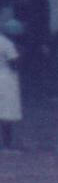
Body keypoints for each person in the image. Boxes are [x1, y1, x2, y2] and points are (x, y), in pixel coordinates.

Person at [0, 20, 21, 151]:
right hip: (5, 78)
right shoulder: (6, 43)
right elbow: (14, 63)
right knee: (6, 113)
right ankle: (6, 145)